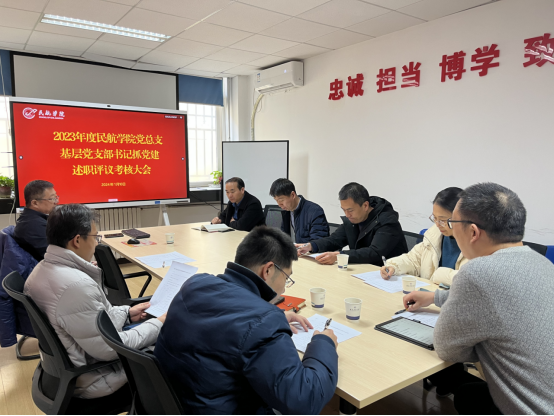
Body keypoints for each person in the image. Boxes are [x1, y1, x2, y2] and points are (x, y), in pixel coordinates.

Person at [403, 183, 554, 415]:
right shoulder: (543, 263)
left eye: (452, 223)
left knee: (465, 393)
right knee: (469, 394)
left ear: (473, 232)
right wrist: (435, 297)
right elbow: (501, 300)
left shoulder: (476, 272)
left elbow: (447, 350)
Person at [155, 226, 339, 414]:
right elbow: (304, 400)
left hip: (170, 403)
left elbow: (223, 324)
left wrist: (270, 318)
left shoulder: (195, 283)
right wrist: (324, 344)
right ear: (268, 270)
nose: (284, 289)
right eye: (286, 278)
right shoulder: (264, 320)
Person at [24, 204, 166, 400]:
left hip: (67, 370)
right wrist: (159, 323)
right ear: (76, 240)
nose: (96, 243)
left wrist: (126, 314)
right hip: (96, 377)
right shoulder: (75, 285)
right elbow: (110, 349)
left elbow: (90, 321)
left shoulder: (41, 270)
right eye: (95, 237)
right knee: (176, 344)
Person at [297, 182, 407, 265]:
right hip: (363, 271)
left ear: (365, 206)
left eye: (350, 210)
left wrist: (339, 256)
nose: (347, 214)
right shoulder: (353, 220)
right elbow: (334, 240)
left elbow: (375, 253)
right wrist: (311, 246)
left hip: (390, 275)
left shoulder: (387, 221)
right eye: (344, 210)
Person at [380, 187, 468, 286]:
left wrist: (438, 274)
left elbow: (468, 280)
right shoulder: (434, 236)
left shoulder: (475, 244)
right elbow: (413, 260)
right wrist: (394, 266)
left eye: (442, 220)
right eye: (435, 218)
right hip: (428, 293)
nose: (437, 224)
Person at [270, 178, 330, 243]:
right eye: (276, 200)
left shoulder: (315, 211)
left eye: (281, 200)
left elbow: (318, 243)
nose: (279, 204)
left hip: (306, 249)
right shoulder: (286, 211)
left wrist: (299, 247)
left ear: (293, 195)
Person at [13, 180, 59, 261]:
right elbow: (54, 257)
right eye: (52, 199)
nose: (56, 202)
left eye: (56, 197)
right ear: (35, 203)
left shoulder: (33, 219)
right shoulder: (32, 226)